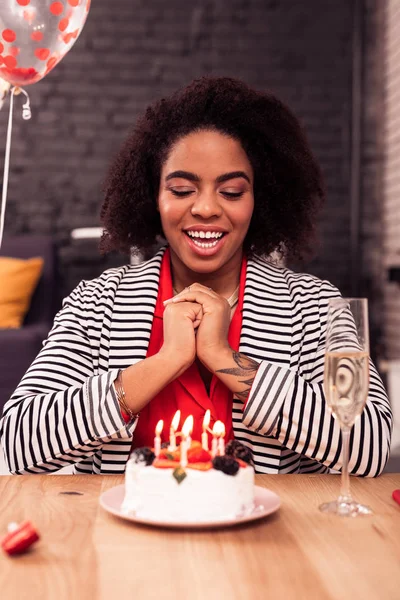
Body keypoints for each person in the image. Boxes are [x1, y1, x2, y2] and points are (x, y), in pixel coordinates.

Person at [0, 77, 391, 476]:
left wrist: (224, 358)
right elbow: (16, 446)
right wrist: (166, 361)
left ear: (260, 200)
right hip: (127, 536)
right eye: (183, 189)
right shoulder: (97, 302)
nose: (205, 208)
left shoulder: (314, 306)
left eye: (232, 192)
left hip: (269, 536)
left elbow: (370, 449)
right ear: (153, 198)